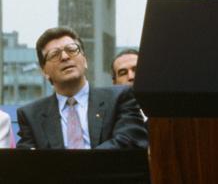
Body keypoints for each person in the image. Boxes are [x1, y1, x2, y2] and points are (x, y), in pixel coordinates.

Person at [16, 26, 148, 150]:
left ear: (85, 60)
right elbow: (27, 163)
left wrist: (80, 165)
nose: (65, 57)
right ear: (44, 71)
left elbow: (130, 140)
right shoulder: (31, 116)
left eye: (72, 50)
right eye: (54, 54)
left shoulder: (119, 98)